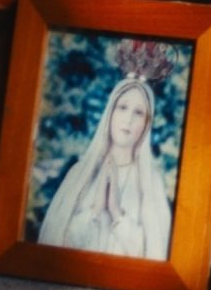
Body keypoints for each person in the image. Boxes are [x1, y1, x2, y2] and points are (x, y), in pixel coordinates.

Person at [37, 76, 174, 260]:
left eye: (139, 112)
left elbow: (154, 254)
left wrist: (117, 213)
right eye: (123, 107)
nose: (129, 119)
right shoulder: (79, 172)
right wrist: (95, 208)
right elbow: (53, 245)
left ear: (146, 124)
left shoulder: (152, 181)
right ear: (110, 113)